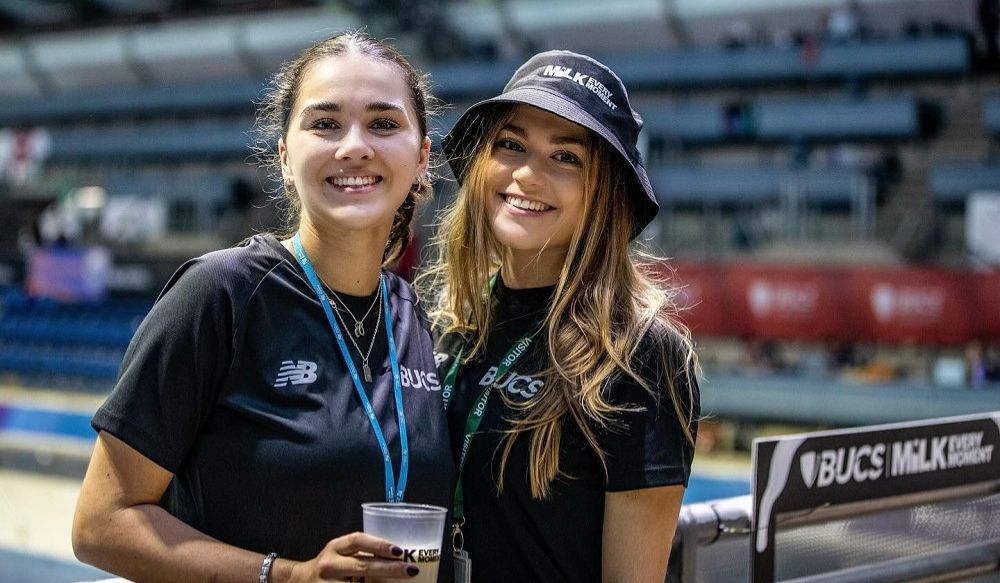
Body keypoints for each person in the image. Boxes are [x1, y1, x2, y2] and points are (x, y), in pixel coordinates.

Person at [72, 32, 455, 583]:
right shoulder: (220, 295)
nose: (354, 146)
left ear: (421, 157)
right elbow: (101, 524)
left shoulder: (410, 313)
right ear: (283, 156)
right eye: (324, 124)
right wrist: (288, 576)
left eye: (383, 123)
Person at [423, 50, 700, 582]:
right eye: (511, 144)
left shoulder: (641, 353)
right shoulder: (449, 328)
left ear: (605, 193)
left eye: (566, 157)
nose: (527, 174)